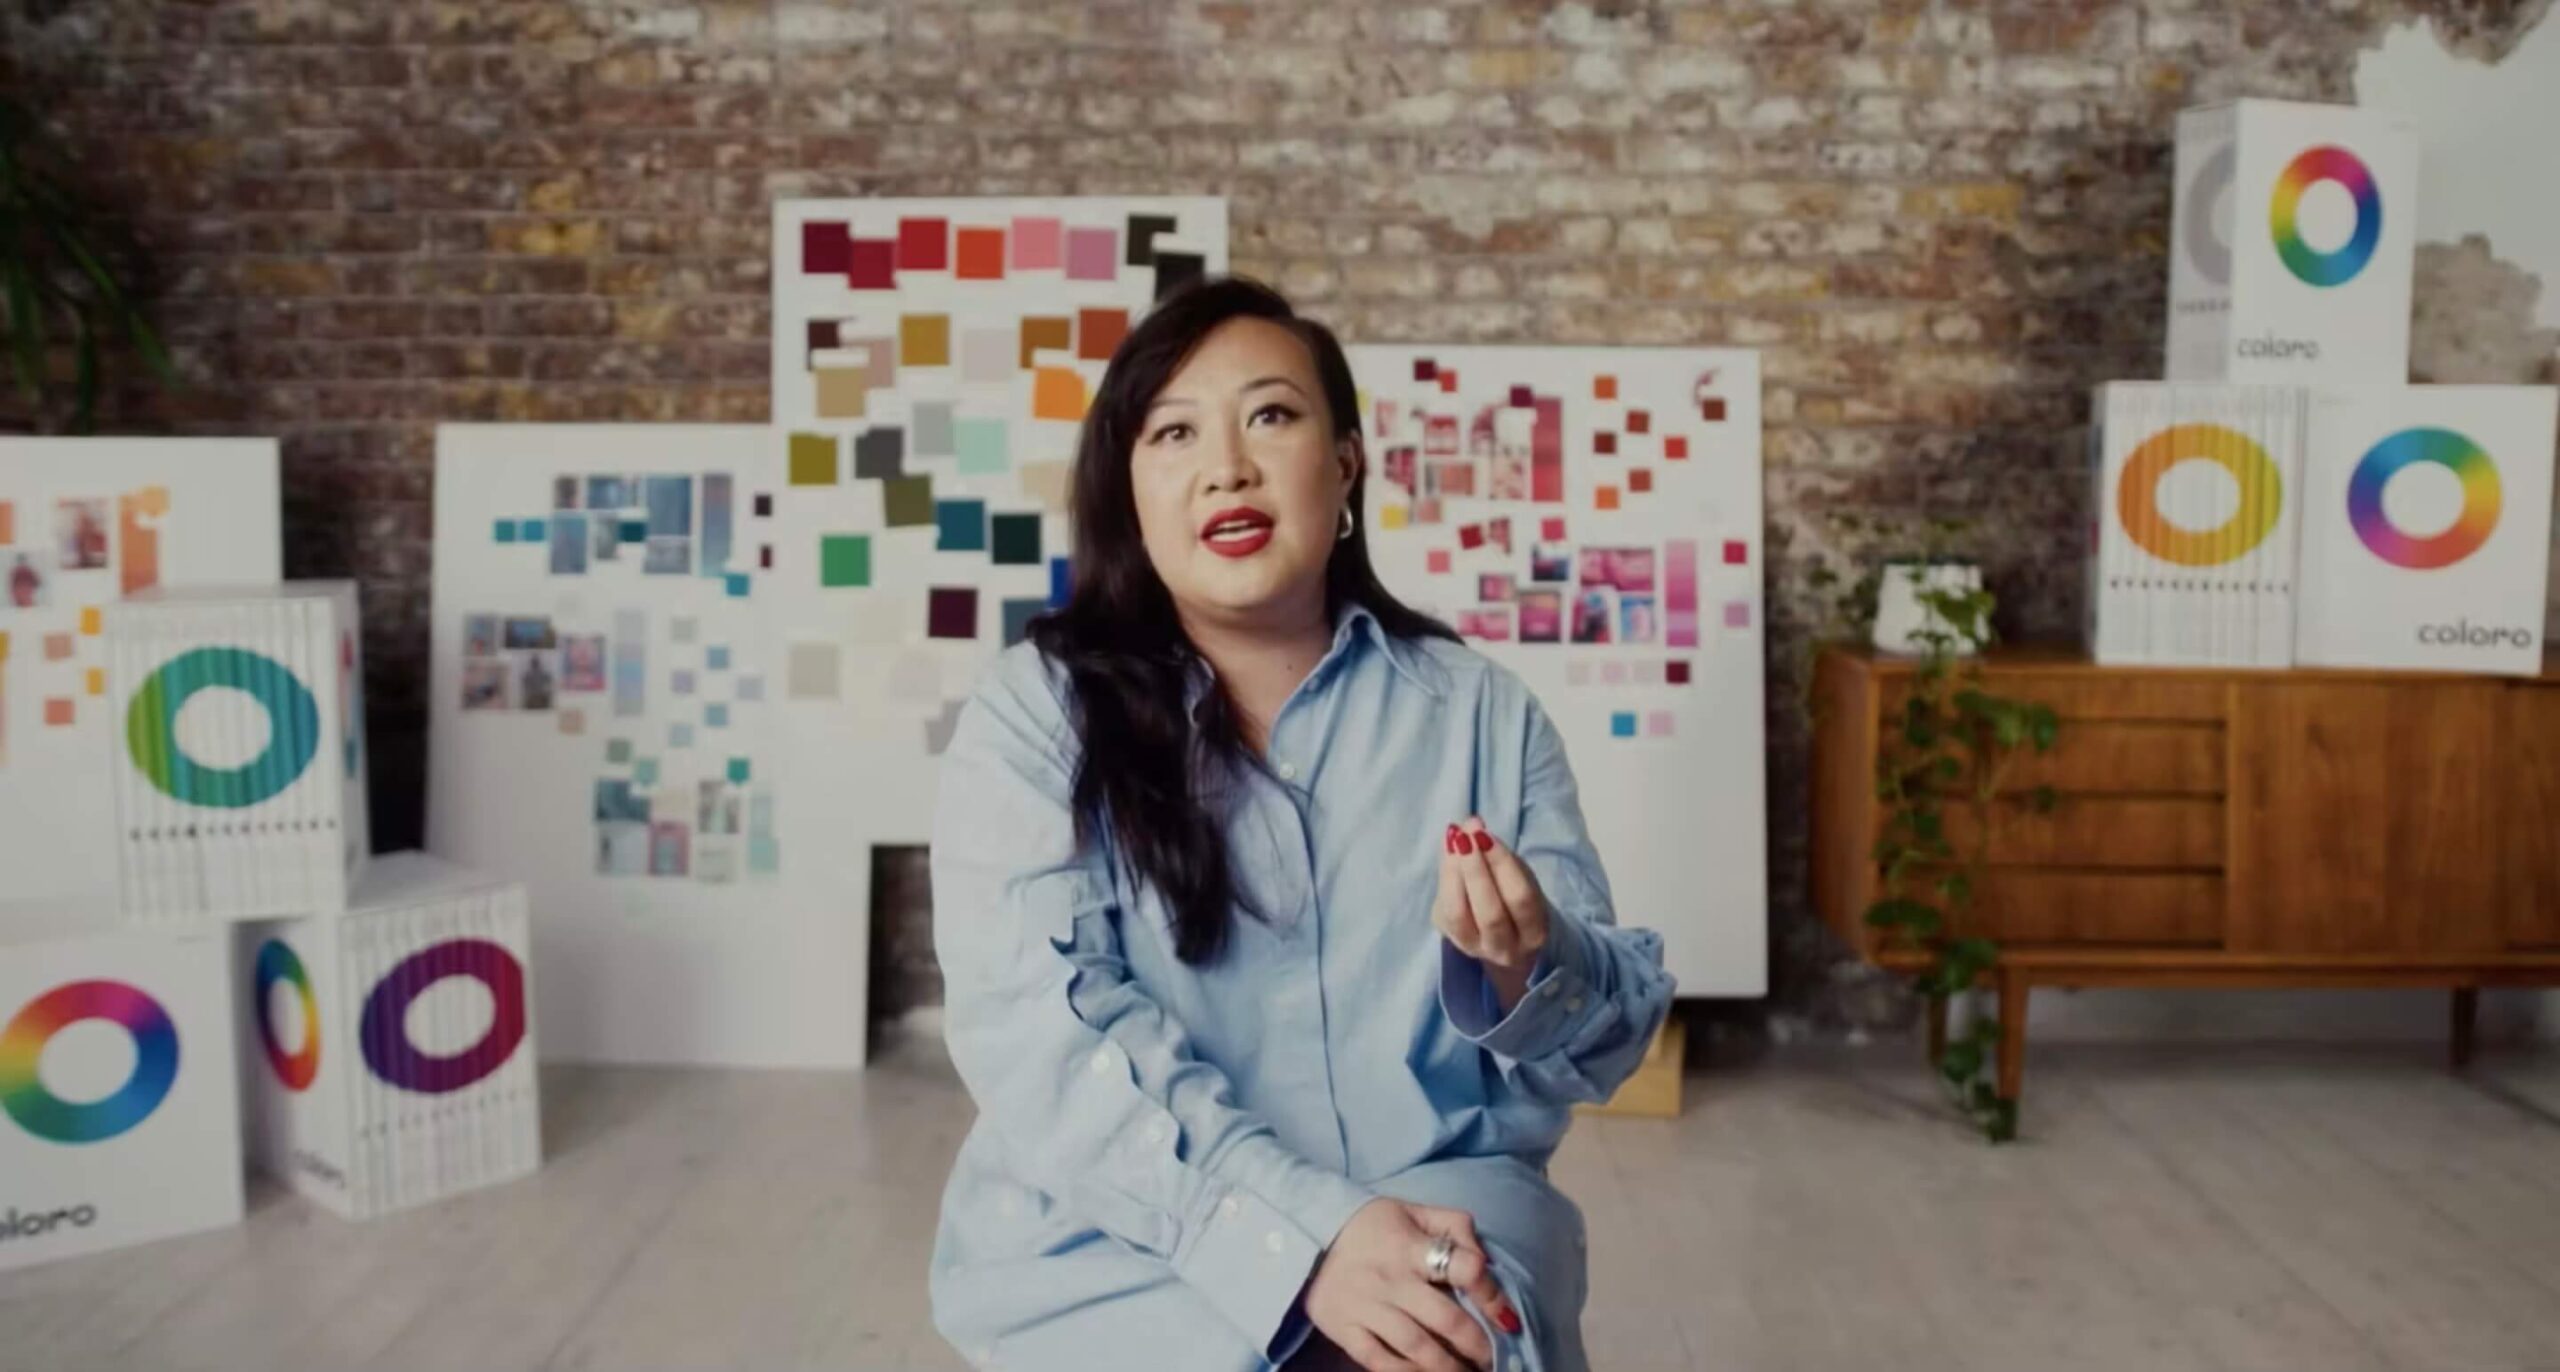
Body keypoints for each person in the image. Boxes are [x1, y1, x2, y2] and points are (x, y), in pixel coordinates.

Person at [928, 278, 1677, 1372]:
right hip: (1124, 1233)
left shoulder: (1479, 713)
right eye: (1174, 432)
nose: (1226, 465)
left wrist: (1529, 965)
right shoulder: (1034, 713)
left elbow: (1611, 1045)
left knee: (1433, 1339)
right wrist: (1308, 1237)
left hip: (1434, 1209)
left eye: (1270, 415)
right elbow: (1047, 1039)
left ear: (1345, 462)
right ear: (1129, 489)